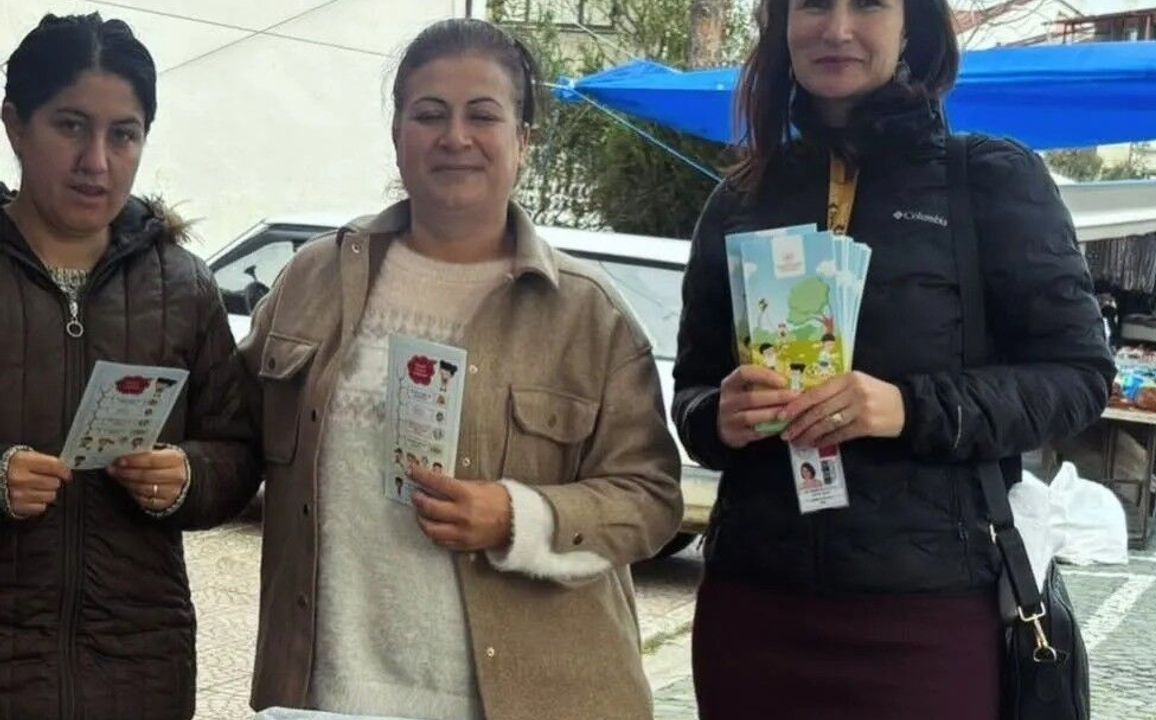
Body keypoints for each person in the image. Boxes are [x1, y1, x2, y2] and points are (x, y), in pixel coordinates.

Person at [672, 1, 1115, 718]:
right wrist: (718, 416)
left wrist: (909, 408)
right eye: (814, 4)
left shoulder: (989, 179)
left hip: (929, 617)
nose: (837, 28)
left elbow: (1079, 378)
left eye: (870, 4)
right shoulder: (741, 199)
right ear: (782, 25)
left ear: (913, 25)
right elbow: (691, 393)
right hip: (752, 607)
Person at [241, 18, 682, 720]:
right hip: (332, 697)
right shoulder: (311, 281)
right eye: (429, 114)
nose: (455, 137)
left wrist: (519, 517)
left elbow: (651, 499)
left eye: (483, 115)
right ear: (397, 134)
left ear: (523, 141)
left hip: (534, 703)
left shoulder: (586, 314)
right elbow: (232, 435)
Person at [0, 14, 259, 720]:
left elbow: (238, 449)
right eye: (71, 126)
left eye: (124, 134)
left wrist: (188, 476)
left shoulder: (184, 286)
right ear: (16, 125)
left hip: (139, 668)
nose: (97, 161)